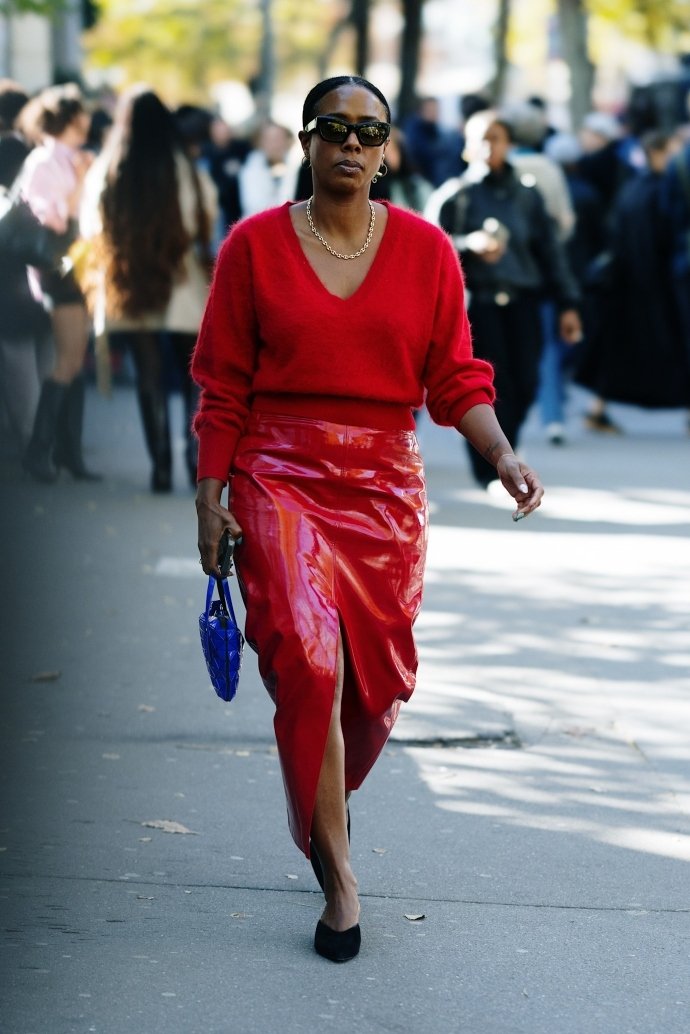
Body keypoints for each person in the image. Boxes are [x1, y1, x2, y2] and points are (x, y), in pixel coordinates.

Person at [191, 75, 544, 963]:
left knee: (373, 688)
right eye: (334, 128)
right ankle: (340, 880)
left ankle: (326, 798)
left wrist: (501, 455)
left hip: (384, 485)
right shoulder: (253, 246)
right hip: (277, 471)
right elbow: (222, 385)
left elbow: (454, 376)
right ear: (307, 141)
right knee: (311, 659)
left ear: (386, 150)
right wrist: (209, 493)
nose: (351, 144)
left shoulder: (426, 250)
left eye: (369, 132)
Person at [80, 86, 218, 491]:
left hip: (130, 278)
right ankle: (192, 456)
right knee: (192, 372)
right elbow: (201, 214)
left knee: (148, 373)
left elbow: (91, 224)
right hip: (180, 277)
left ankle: (159, 465)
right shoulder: (181, 165)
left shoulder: (110, 165)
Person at [435, 110, 582, 487]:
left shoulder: (527, 195)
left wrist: (567, 303)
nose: (489, 146)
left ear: (509, 143)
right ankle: (490, 470)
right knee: (487, 391)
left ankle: (506, 454)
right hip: (477, 305)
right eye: (480, 139)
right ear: (467, 148)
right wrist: (469, 244)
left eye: (496, 138)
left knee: (526, 383)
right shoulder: (456, 195)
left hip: (523, 303)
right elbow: (431, 249)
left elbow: (550, 253)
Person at [17, 83, 99, 482]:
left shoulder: (71, 158)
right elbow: (55, 219)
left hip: (78, 267)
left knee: (76, 358)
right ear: (69, 118)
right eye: (82, 113)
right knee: (67, 359)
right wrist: (82, 180)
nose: (88, 119)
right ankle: (40, 451)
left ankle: (69, 452)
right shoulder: (45, 161)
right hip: (57, 269)